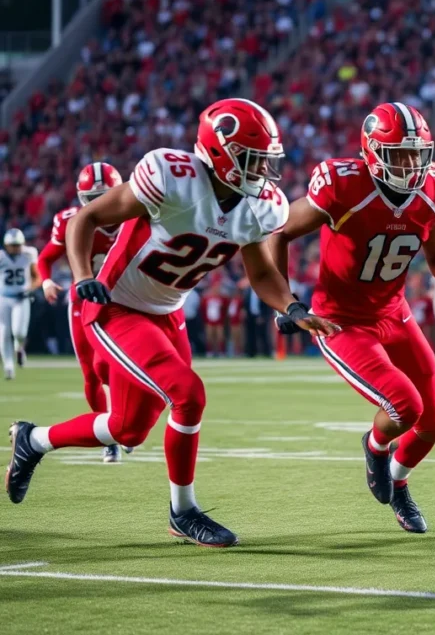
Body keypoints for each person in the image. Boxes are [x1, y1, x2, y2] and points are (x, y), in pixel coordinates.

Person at [4, 98, 338, 547]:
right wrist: (83, 276)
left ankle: (33, 439)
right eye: (251, 160)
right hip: (118, 305)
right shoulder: (170, 177)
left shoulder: (259, 206)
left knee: (128, 428)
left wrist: (292, 307)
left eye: (265, 161)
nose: (262, 171)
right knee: (189, 395)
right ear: (219, 152)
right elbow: (89, 216)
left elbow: (260, 272)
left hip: (168, 309)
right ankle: (183, 512)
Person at [268, 102, 435, 534]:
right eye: (399, 154)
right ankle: (375, 446)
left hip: (394, 313)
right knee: (405, 406)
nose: (410, 165)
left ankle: (400, 483)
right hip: (341, 321)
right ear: (371, 151)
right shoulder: (343, 185)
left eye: (417, 154)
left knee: (434, 423)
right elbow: (278, 233)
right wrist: (288, 303)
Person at [37, 162, 124, 461]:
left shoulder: (137, 215)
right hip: (83, 300)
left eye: (106, 195)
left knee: (116, 367)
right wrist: (47, 281)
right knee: (92, 372)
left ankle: (127, 422)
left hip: (126, 300)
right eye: (93, 197)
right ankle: (108, 435)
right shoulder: (70, 220)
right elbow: (46, 258)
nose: (100, 204)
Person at [1, 228, 40, 380]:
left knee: (19, 332)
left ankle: (19, 348)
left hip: (22, 298)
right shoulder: (1, 257)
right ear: (6, 245)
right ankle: (9, 366)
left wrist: (30, 289)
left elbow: (37, 276)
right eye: (13, 245)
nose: (16, 248)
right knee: (3, 333)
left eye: (18, 245)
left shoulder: (28, 254)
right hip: (3, 298)